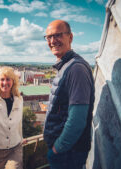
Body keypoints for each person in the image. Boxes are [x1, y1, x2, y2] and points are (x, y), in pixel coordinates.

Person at [43, 20, 95, 169]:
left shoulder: (76, 68)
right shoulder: (66, 66)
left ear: (70, 37)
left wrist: (57, 149)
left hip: (68, 154)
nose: (52, 41)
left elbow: (77, 120)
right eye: (48, 37)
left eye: (58, 35)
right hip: (66, 152)